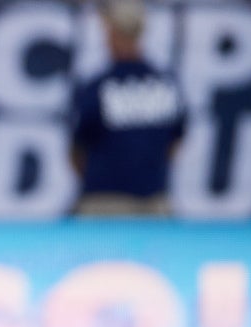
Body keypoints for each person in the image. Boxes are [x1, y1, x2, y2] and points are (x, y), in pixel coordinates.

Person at [69, 0, 185, 216]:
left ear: (111, 33)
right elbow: (175, 144)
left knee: (100, 250)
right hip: (154, 203)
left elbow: (77, 151)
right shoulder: (166, 84)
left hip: (104, 206)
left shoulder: (98, 88)